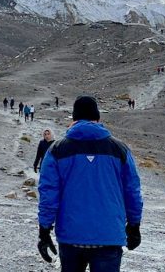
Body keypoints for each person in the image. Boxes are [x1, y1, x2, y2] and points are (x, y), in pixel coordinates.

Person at [37, 96, 143, 271]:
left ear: (73, 119)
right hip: (108, 236)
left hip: (71, 236)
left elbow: (48, 193)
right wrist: (134, 225)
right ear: (98, 118)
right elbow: (132, 191)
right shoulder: (120, 149)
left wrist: (44, 230)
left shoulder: (56, 150)